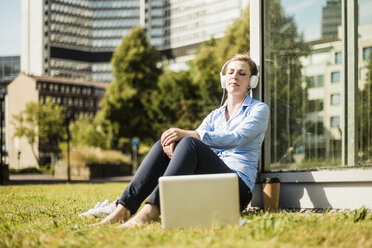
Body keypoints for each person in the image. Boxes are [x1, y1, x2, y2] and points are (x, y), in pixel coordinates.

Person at [90, 54, 269, 228]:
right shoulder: (215, 116)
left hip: (235, 191)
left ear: (251, 82)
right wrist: (173, 143)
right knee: (167, 144)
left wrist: (187, 135)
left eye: (242, 73)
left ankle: (151, 211)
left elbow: (235, 138)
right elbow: (193, 142)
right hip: (207, 186)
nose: (234, 76)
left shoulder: (259, 110)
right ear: (224, 78)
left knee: (190, 141)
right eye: (230, 72)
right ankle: (124, 209)